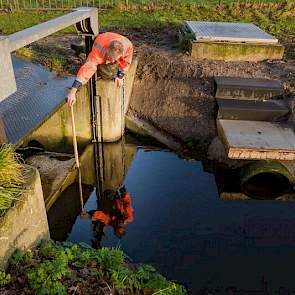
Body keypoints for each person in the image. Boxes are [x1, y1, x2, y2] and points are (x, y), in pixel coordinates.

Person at [67, 32, 133, 107]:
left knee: (112, 69)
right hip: (100, 40)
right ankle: (83, 49)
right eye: (109, 58)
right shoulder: (99, 49)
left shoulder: (128, 47)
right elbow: (87, 69)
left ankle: (81, 48)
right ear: (107, 50)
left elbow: (126, 62)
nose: (111, 62)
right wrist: (72, 92)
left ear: (121, 54)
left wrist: (120, 76)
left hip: (109, 39)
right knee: (107, 72)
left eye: (114, 59)